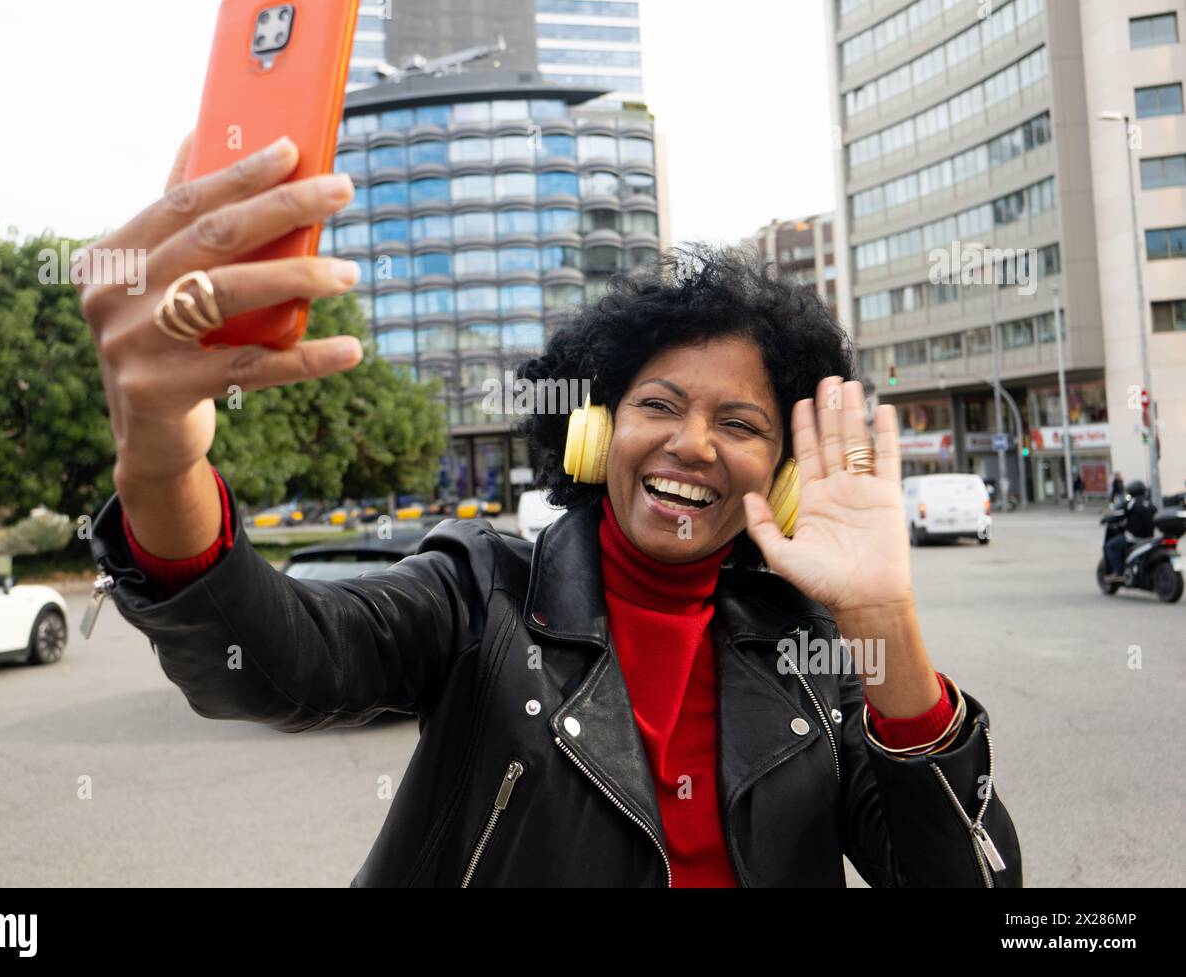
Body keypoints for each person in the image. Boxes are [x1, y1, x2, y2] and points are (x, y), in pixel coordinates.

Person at [74, 135, 1021, 887]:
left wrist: (881, 617)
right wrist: (161, 463)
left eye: (739, 423)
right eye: (658, 405)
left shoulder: (815, 656)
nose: (692, 443)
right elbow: (276, 656)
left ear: (778, 475)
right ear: (593, 434)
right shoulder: (483, 591)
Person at [1103, 480, 1158, 581]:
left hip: (1133, 538)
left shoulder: (1132, 502)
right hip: (1149, 538)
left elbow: (1119, 515)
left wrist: (1106, 519)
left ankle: (1118, 572)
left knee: (1110, 546)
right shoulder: (1150, 503)